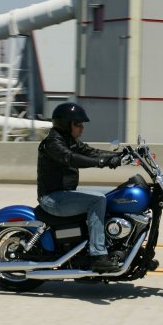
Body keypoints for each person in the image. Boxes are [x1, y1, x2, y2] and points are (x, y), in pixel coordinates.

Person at [37, 102, 123, 271]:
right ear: (65, 124)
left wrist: (119, 156)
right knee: (97, 200)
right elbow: (71, 158)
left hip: (65, 194)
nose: (82, 128)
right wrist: (101, 163)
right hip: (52, 199)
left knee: (117, 194)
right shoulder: (53, 143)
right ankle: (98, 254)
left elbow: (91, 152)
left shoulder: (70, 140)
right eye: (78, 124)